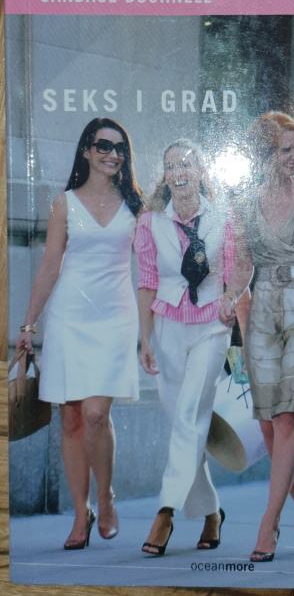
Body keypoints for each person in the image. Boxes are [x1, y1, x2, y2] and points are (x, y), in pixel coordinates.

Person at [16, 117, 143, 550]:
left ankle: (105, 498)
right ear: (86, 151)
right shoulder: (64, 203)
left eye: (119, 148)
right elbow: (50, 266)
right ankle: (79, 512)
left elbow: (152, 267)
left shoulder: (136, 206)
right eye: (103, 146)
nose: (112, 154)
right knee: (70, 418)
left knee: (95, 413)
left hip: (115, 319)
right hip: (69, 316)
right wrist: (29, 324)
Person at [221, 112, 294, 562]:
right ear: (264, 155)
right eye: (285, 149)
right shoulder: (246, 201)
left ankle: (269, 524)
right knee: (267, 425)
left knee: (288, 418)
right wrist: (231, 296)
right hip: (263, 309)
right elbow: (243, 264)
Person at [134, 138, 249, 557]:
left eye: (187, 164)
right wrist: (145, 338)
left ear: (202, 170)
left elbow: (240, 266)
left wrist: (231, 297)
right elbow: (147, 282)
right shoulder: (150, 222)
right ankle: (212, 511)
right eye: (171, 166)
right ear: (164, 176)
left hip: (211, 328)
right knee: (186, 423)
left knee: (188, 415)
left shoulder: (225, 215)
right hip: (167, 327)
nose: (179, 172)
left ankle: (165, 510)